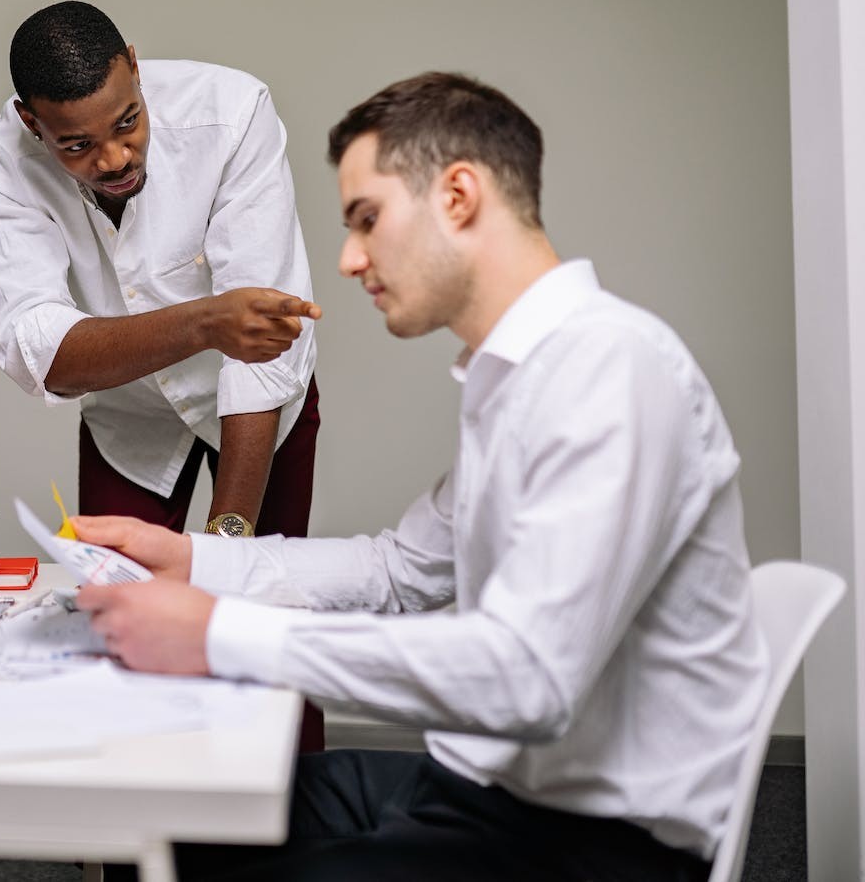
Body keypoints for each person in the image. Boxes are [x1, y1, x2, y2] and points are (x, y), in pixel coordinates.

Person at [73, 72, 766, 881]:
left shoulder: (609, 369)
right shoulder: (519, 377)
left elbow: (527, 678)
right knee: (168, 823)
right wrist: (194, 561)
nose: (348, 258)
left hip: (591, 838)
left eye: (367, 220)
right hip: (482, 787)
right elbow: (398, 570)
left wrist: (221, 634)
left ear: (460, 195)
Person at [0, 0, 322, 546]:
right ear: (31, 123)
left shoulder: (232, 112)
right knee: (120, 603)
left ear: (134, 65)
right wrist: (206, 323)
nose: (113, 160)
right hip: (128, 418)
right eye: (77, 146)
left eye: (128, 122)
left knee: (264, 602)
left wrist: (226, 547)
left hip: (264, 410)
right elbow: (38, 353)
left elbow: (263, 347)